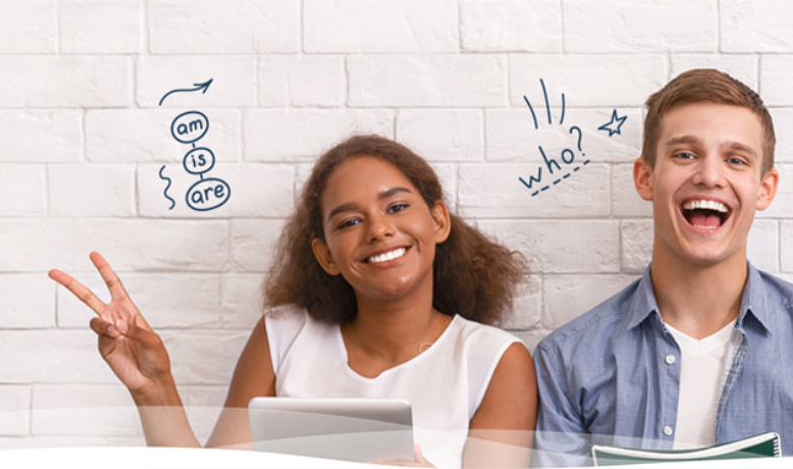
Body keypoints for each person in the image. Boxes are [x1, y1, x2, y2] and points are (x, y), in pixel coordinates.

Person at [49, 135, 536, 468]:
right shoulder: (283, 336)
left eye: (397, 206)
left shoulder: (494, 362)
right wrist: (154, 388)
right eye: (348, 221)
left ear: (438, 222)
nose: (379, 229)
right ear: (326, 256)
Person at [532, 69, 793, 464]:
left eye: (735, 160)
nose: (709, 176)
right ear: (645, 177)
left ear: (765, 188)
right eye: (685, 154)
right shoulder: (566, 361)